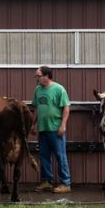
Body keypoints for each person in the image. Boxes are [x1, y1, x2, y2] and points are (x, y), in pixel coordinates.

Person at [32, 65, 72, 193]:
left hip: (55, 128)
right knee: (44, 155)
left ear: (47, 76)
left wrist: (63, 125)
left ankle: (65, 183)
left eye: (38, 76)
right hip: (43, 129)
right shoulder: (38, 90)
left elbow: (66, 107)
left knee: (60, 156)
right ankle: (46, 181)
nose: (36, 79)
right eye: (36, 76)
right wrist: (34, 124)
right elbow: (37, 108)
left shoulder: (59, 89)